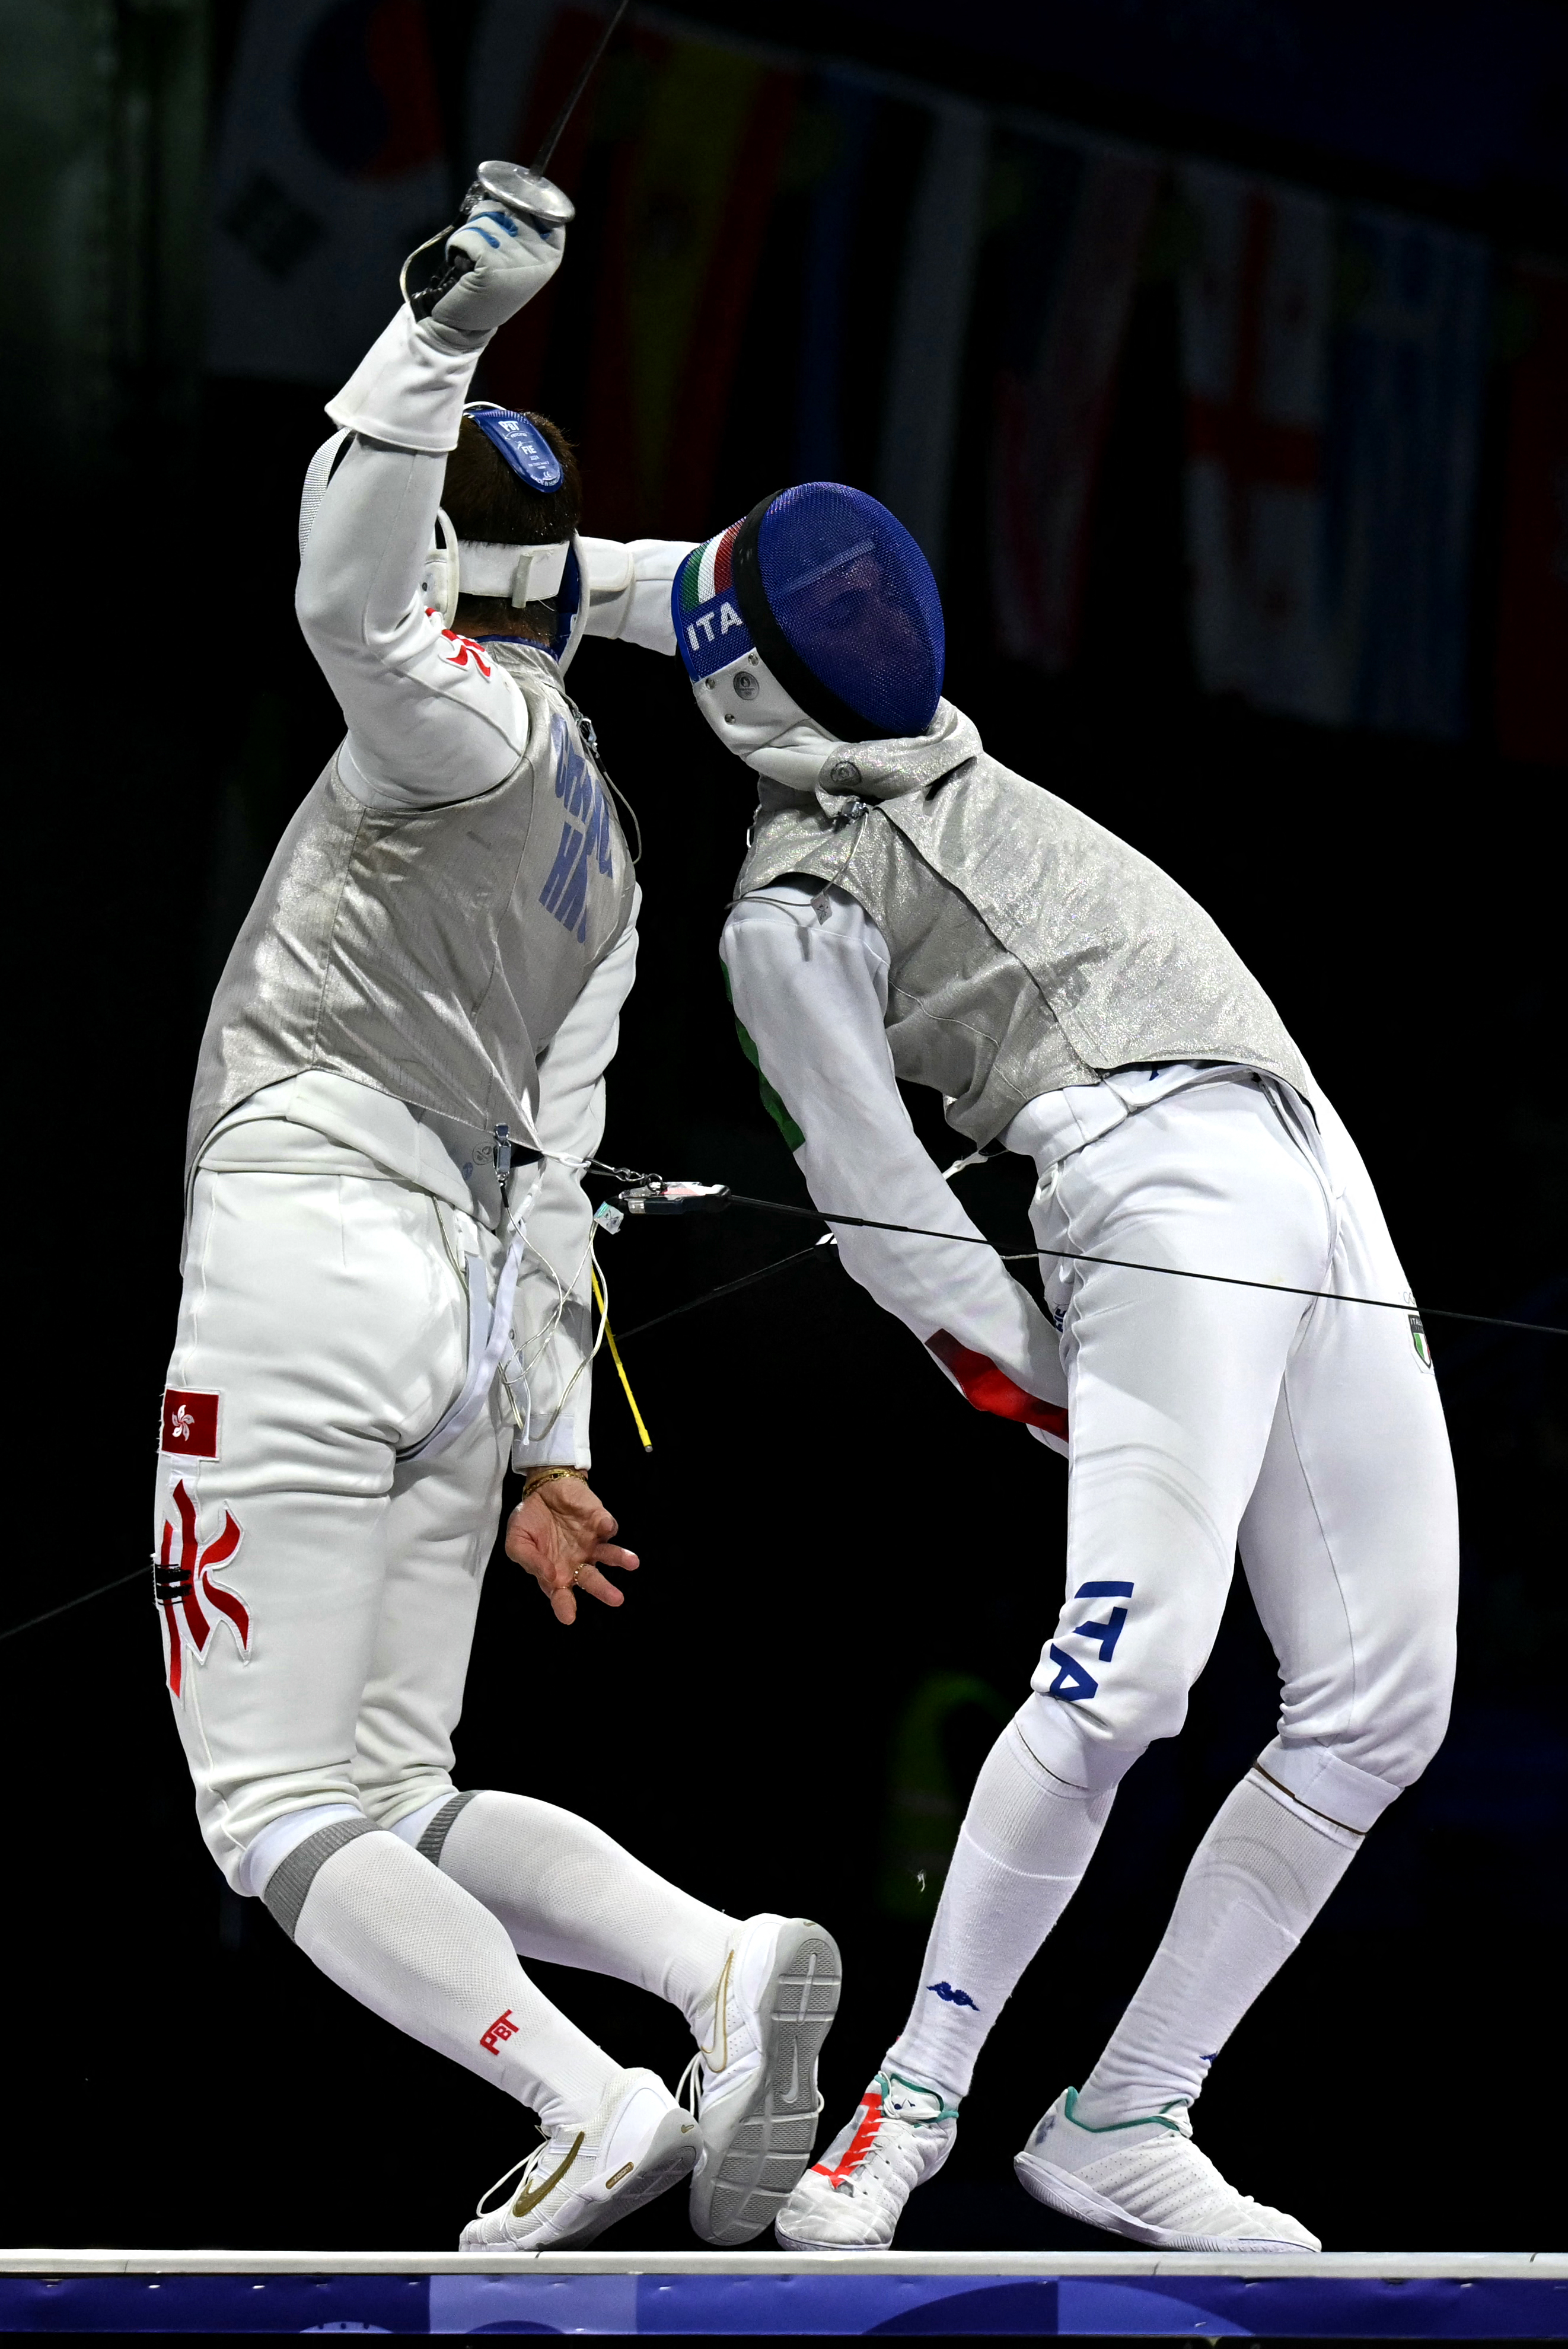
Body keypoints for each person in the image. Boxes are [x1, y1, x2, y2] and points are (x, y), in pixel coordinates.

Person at [154, 192, 839, 2252]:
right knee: (387, 1791)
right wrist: (543, 1434)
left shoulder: (458, 730)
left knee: (267, 1812)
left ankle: (590, 2098)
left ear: (471, 600)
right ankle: (717, 1971)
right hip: (452, 1313)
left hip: (308, 1253)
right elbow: (560, 1171)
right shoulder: (607, 860)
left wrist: (437, 337)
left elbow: (353, 603)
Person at [673, 484, 1457, 2252]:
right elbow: (871, 1195)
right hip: (1139, 1173)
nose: (877, 625)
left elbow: (685, 604)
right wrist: (1021, 1362)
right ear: (759, 693)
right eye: (830, 615)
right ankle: (908, 2108)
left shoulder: (916, 754)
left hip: (1309, 1157)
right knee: (1123, 1681)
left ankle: (1126, 2115)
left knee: (1384, 1703)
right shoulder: (786, 907)